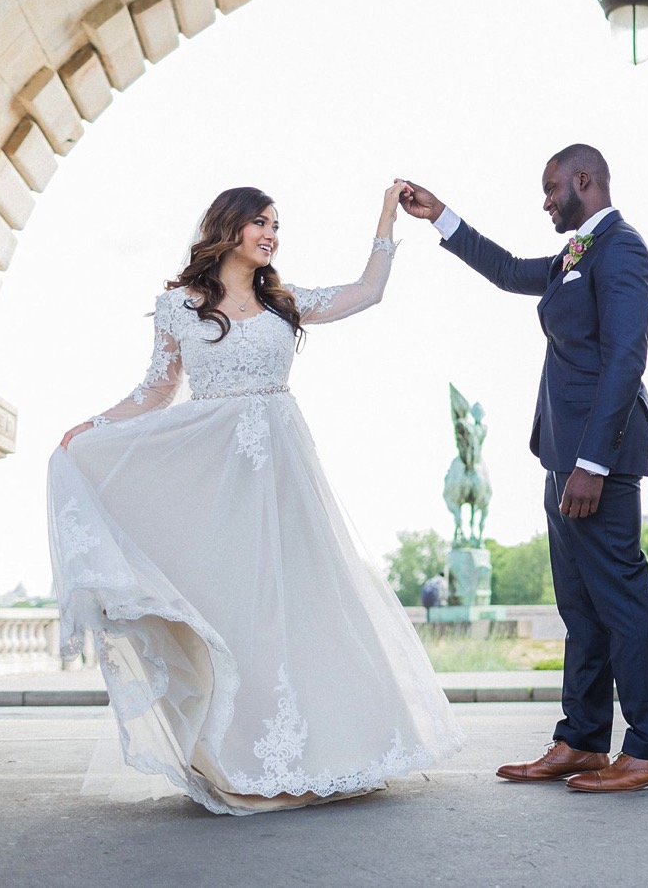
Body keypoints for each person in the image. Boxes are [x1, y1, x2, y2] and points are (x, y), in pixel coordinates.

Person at [48, 185, 464, 815]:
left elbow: (367, 291)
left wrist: (385, 214)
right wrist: (96, 429)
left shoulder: (283, 302)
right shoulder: (177, 307)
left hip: (284, 473)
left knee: (302, 602)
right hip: (214, 477)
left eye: (276, 224)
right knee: (234, 605)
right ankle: (237, 755)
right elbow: (155, 392)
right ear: (228, 229)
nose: (271, 233)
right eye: (259, 223)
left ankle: (323, 750)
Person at [399, 144, 648, 792]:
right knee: (580, 609)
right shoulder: (576, 253)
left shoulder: (622, 249)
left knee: (623, 602)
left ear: (585, 180)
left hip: (596, 459)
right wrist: (441, 217)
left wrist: (592, 462)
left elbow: (625, 359)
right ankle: (583, 740)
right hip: (564, 455)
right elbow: (505, 270)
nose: (546, 199)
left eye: (552, 186)